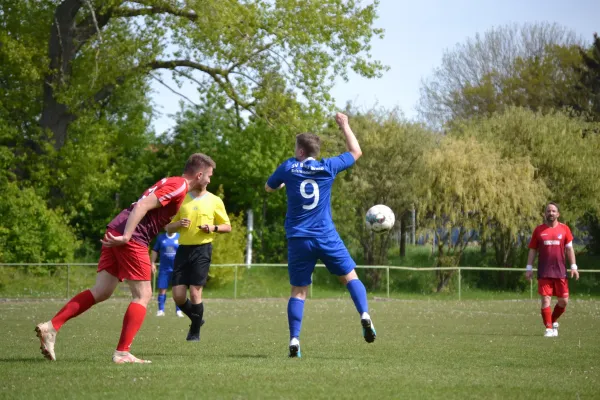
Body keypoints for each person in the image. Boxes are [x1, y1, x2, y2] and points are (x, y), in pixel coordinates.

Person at [35, 153, 216, 364]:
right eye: (209, 176)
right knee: (143, 294)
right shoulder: (179, 186)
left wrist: (132, 240)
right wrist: (127, 236)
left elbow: (149, 216)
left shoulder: (171, 182)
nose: (210, 181)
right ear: (200, 174)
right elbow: (142, 206)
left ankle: (51, 327)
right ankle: (122, 352)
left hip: (118, 229)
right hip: (129, 236)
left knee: (101, 291)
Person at [265, 112, 375, 358]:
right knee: (349, 277)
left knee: (298, 291)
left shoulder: (288, 167)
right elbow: (356, 151)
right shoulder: (328, 167)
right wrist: (345, 126)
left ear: (301, 151)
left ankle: (294, 339)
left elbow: (268, 187)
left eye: (296, 148)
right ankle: (365, 314)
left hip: (298, 239)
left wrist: (282, 183)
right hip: (326, 236)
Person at [167, 178, 231, 342]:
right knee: (178, 295)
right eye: (206, 176)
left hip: (202, 249)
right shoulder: (182, 199)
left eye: (210, 177)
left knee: (195, 292)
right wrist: (178, 224)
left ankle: (194, 333)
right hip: (183, 250)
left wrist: (213, 228)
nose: (209, 180)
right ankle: (197, 319)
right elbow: (168, 227)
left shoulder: (215, 200)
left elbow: (227, 226)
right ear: (197, 177)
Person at [526, 202, 580, 337]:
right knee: (545, 300)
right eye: (548, 211)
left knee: (564, 301)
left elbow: (569, 249)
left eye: (553, 211)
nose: (551, 213)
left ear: (558, 214)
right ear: (545, 213)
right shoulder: (538, 230)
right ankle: (549, 329)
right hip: (544, 271)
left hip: (560, 271)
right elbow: (533, 250)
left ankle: (553, 320)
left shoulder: (565, 229)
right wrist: (529, 267)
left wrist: (573, 266)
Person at [151, 231, 184, 317]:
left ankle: (179, 311)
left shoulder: (180, 236)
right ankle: (161, 310)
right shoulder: (161, 237)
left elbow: (185, 251)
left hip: (177, 269)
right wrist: (152, 263)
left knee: (178, 291)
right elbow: (155, 250)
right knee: (162, 289)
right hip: (164, 269)